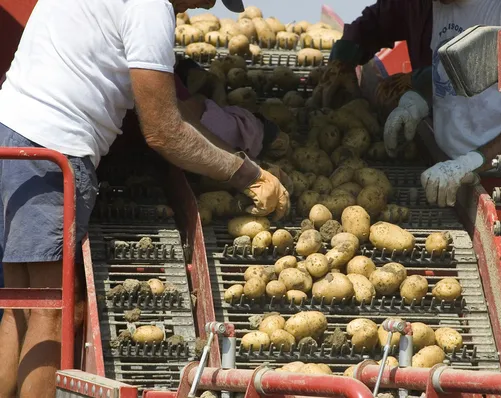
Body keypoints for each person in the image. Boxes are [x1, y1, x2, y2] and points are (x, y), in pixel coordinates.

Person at [0, 1, 289, 398]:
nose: (205, 6)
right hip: (54, 151)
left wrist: (239, 160)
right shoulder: (151, 8)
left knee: (19, 305)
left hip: (11, 136)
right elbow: (164, 131)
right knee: (51, 314)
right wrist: (248, 176)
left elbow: (178, 112)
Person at [313, 0, 501, 208]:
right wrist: (417, 100)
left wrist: (472, 162)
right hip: (453, 175)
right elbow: (447, 72)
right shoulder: (441, 3)